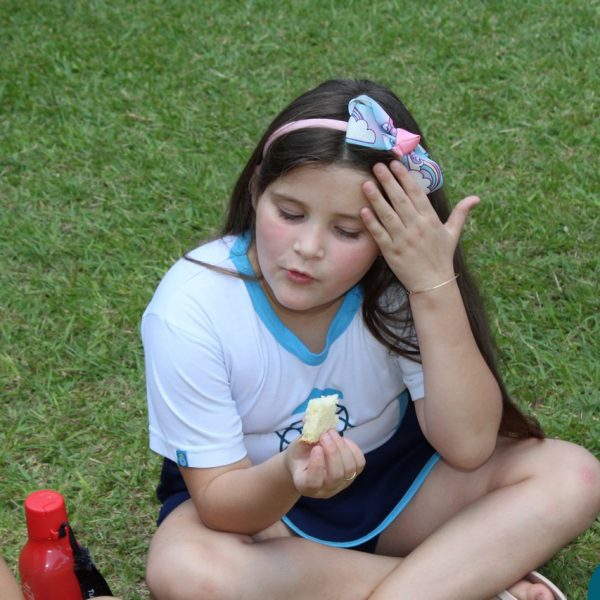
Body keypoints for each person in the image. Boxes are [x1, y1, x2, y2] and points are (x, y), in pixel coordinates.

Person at [141, 79, 600, 600]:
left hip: (401, 488)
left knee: (574, 477)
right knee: (186, 570)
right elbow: (221, 503)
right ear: (255, 191)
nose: (308, 247)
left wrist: (433, 286)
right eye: (289, 213)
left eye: (347, 232)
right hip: (262, 509)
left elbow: (469, 446)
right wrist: (291, 474)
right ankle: (459, 580)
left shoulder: (396, 282)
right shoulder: (191, 308)